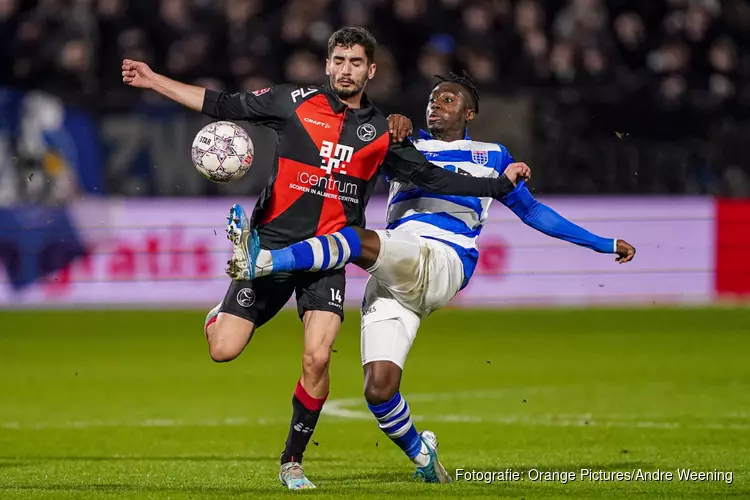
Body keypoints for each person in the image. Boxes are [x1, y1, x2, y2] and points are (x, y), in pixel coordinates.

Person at [122, 28, 530, 490]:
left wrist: (497, 186)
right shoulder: (291, 102)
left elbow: (434, 179)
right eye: (339, 60)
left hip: (326, 259)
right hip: (272, 245)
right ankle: (221, 316)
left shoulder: (379, 132)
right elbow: (220, 104)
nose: (346, 69)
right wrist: (155, 81)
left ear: (370, 71)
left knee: (317, 359)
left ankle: (292, 462)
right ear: (328, 64)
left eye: (356, 62)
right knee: (223, 350)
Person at [226, 71, 637, 484]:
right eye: (433, 98)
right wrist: (389, 127)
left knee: (352, 239)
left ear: (470, 112)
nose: (436, 104)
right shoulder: (402, 145)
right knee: (379, 390)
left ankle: (264, 263)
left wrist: (602, 243)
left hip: (442, 260)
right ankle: (424, 457)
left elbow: (533, 213)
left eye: (449, 100)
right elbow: (347, 151)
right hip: (392, 273)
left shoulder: (492, 155)